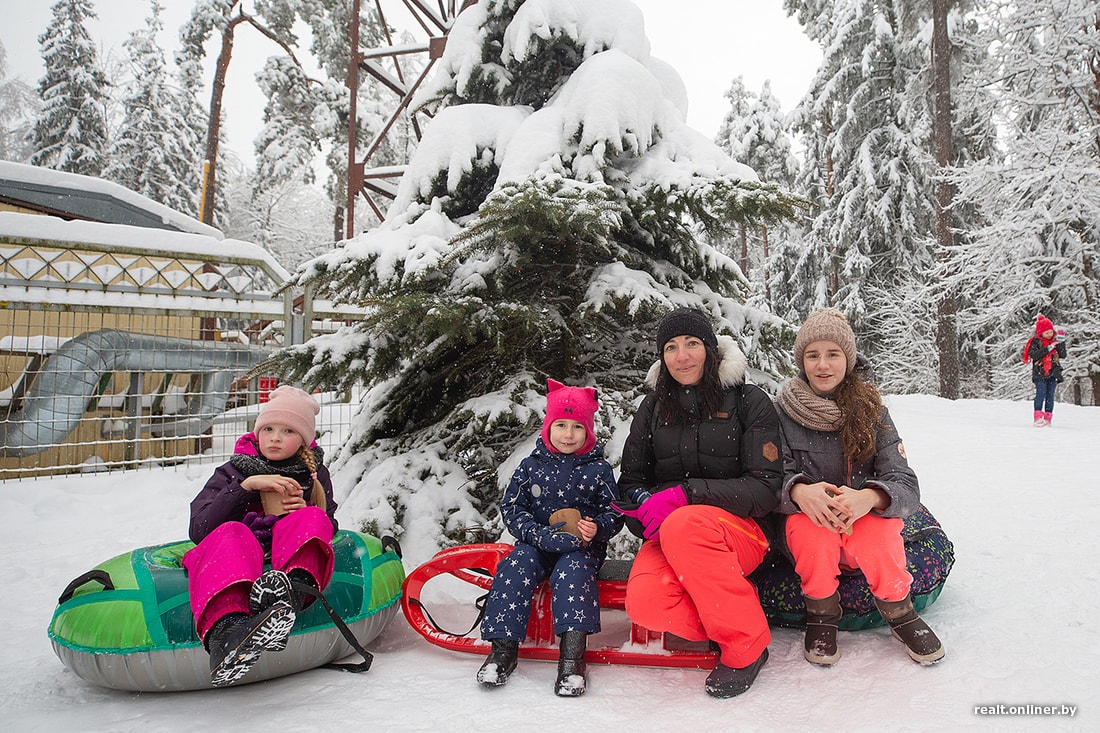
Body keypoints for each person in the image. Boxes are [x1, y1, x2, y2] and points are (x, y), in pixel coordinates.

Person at [616, 308, 783, 699]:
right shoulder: (653, 408)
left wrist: (687, 495)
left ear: (709, 349)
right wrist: (644, 509)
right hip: (673, 534)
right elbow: (631, 481)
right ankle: (731, 616)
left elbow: (765, 489)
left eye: (692, 344)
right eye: (671, 348)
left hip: (742, 531)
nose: (682, 356)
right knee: (645, 603)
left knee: (684, 523)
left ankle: (747, 644)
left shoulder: (748, 400)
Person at [774, 307, 944, 667]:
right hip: (808, 521)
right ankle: (821, 614)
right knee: (812, 534)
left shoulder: (873, 411)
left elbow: (904, 481)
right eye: (812, 355)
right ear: (801, 361)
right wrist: (798, 492)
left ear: (848, 360)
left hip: (862, 520)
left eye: (833, 354)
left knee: (876, 536)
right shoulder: (782, 413)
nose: (823, 365)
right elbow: (767, 477)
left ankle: (900, 612)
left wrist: (870, 496)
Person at [184, 385, 339, 687]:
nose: (276, 438)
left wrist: (305, 509)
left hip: (283, 562)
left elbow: (330, 524)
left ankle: (289, 597)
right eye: (268, 428)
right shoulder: (233, 471)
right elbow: (199, 529)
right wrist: (245, 489)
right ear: (257, 432)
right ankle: (228, 633)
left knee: (313, 517)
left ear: (304, 440)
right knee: (232, 531)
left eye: (288, 431)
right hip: (237, 554)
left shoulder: (314, 474)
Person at [477, 379, 622, 697]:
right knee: (514, 565)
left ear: (588, 431)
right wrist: (536, 534)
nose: (568, 434)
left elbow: (615, 511)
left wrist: (597, 527)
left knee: (573, 574)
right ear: (548, 426)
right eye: (561, 425)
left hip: (580, 549)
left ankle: (572, 661)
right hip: (537, 544)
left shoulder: (597, 470)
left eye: (577, 427)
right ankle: (502, 651)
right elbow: (513, 508)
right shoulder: (531, 467)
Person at [1026, 313, 1067, 427]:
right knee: (1041, 393)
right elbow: (1034, 355)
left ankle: (1048, 418)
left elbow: (1063, 355)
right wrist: (1049, 347)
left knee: (1050, 396)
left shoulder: (1055, 341)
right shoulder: (1035, 342)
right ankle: (1038, 417)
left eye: (1051, 332)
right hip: (1040, 372)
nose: (1050, 334)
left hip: (1053, 373)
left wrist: (1061, 343)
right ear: (1041, 333)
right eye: (1047, 332)